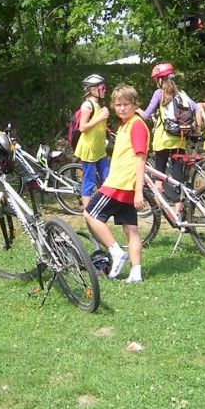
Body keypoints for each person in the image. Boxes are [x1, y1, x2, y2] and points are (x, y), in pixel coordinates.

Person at [83, 84, 149, 284]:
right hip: (122, 181)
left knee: (90, 213)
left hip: (122, 183)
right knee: (131, 229)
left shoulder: (136, 125)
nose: (122, 108)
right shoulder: (125, 125)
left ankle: (115, 251)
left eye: (126, 104)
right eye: (118, 105)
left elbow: (141, 158)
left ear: (134, 104)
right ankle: (136, 274)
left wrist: (139, 191)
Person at [140, 63, 200, 210]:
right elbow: (198, 108)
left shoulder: (159, 93)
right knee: (177, 178)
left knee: (159, 177)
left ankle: (157, 209)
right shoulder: (181, 94)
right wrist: (197, 129)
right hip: (180, 139)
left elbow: (146, 115)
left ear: (160, 80)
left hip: (163, 140)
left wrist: (136, 109)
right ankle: (179, 212)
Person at [73, 74, 111, 209]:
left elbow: (97, 126)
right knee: (89, 181)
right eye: (102, 87)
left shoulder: (97, 105)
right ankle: (88, 211)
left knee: (108, 178)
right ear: (93, 90)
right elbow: (82, 127)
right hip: (89, 149)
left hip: (99, 149)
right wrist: (101, 117)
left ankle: (105, 205)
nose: (105, 90)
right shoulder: (87, 105)